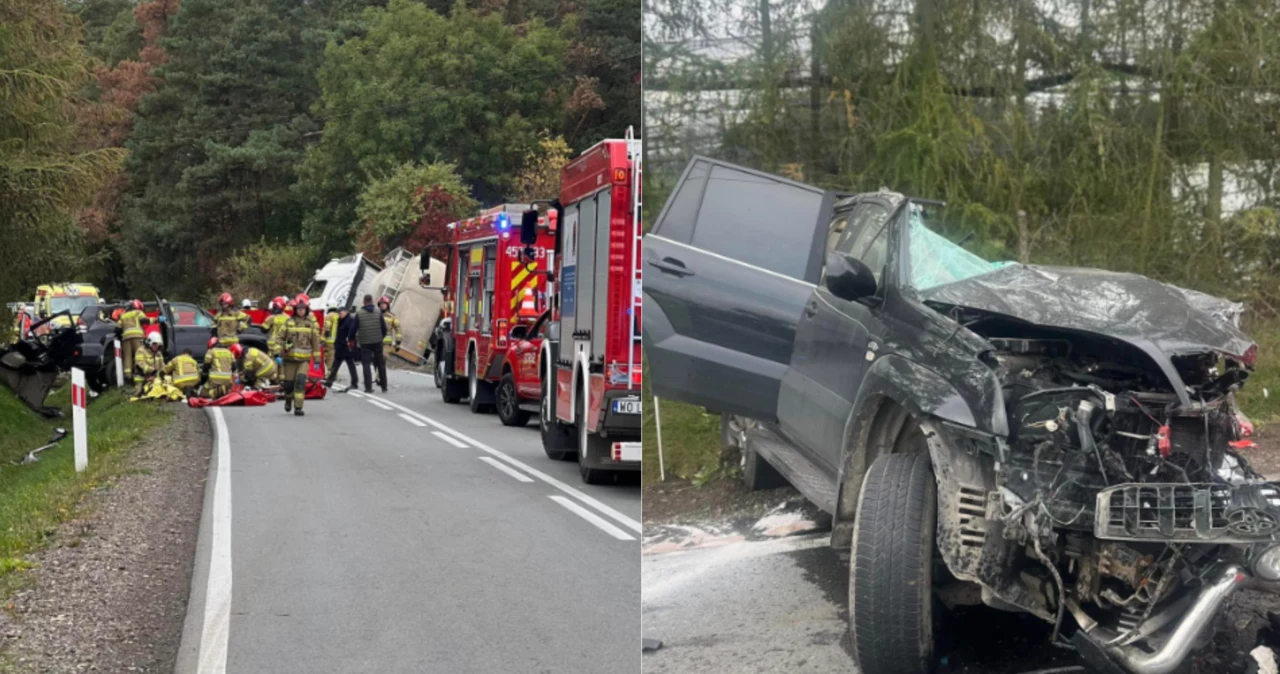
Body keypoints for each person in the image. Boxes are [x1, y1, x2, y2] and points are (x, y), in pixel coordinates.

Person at [282, 294, 321, 416]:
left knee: (300, 382)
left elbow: (315, 342)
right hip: (289, 360)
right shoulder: (288, 323)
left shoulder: (311, 325)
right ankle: (288, 399)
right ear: (295, 310)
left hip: (303, 360)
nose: (301, 311)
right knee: (288, 386)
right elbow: (279, 338)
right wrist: (278, 353)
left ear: (306, 310)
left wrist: (317, 360)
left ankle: (298, 407)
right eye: (299, 309)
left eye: (303, 309)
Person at [354, 294, 387, 393]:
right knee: (380, 364)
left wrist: (352, 339)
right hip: (377, 342)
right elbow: (384, 328)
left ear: (364, 301)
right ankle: (384, 386)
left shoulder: (359, 313)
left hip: (365, 343)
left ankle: (368, 388)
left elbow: (353, 329)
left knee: (366, 364)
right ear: (372, 301)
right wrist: (381, 337)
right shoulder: (378, 312)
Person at [324, 306, 360, 390]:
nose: (339, 314)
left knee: (350, 365)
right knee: (335, 365)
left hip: (347, 347)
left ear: (346, 312)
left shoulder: (350, 320)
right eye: (338, 313)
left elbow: (351, 333)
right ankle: (329, 381)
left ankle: (354, 383)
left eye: (340, 313)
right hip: (340, 346)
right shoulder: (341, 320)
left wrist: (349, 343)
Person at [119, 299, 150, 384]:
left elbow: (118, 327)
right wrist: (156, 319)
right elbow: (144, 320)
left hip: (126, 338)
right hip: (137, 337)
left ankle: (128, 376)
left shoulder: (123, 315)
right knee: (139, 355)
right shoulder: (138, 313)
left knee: (127, 356)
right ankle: (139, 373)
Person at [264, 296, 289, 363]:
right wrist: (288, 348)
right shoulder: (288, 318)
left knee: (272, 367)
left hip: (272, 347)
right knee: (282, 368)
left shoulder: (271, 318)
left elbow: (263, 329)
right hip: (283, 346)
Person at [323, 304, 340, 380]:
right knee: (334, 357)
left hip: (329, 341)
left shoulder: (329, 316)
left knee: (328, 357)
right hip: (338, 341)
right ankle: (334, 373)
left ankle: (329, 374)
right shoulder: (339, 315)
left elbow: (326, 327)